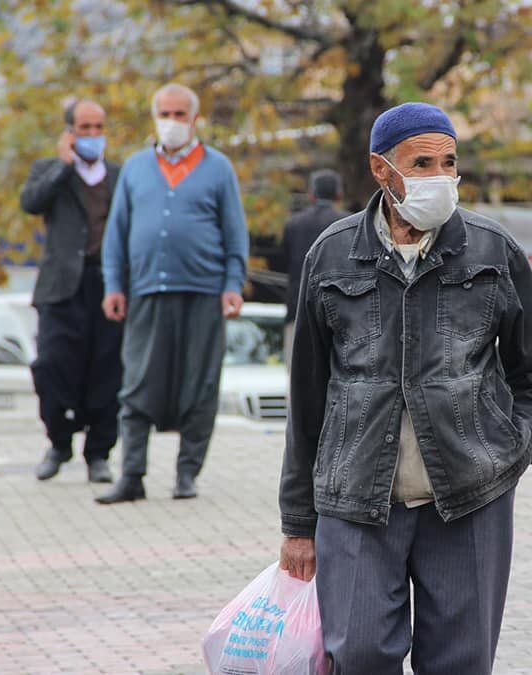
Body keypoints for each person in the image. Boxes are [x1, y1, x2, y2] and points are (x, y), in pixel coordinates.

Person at [278, 102, 532, 672]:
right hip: (357, 500)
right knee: (358, 655)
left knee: (461, 663)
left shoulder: (493, 250)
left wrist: (515, 446)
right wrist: (298, 524)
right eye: (422, 162)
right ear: (381, 170)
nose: (439, 176)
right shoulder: (332, 255)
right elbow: (306, 399)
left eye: (449, 162)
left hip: (469, 499)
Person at [96, 83, 249, 504]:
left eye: (181, 115)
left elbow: (235, 234)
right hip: (147, 291)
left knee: (200, 386)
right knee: (136, 385)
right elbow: (117, 235)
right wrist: (114, 285)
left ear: (195, 119)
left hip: (203, 292)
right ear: (155, 117)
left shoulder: (218, 168)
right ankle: (132, 475)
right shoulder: (135, 168)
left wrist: (233, 284)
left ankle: (187, 474)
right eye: (166, 114)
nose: (172, 122)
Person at [19, 100, 122, 484]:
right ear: (69, 132)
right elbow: (31, 203)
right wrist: (64, 165)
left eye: (99, 127)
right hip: (61, 286)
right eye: (85, 128)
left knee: (107, 373)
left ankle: (98, 454)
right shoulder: (48, 170)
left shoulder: (119, 175)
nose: (93, 135)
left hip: (107, 285)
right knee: (50, 367)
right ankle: (58, 443)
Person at [281, 169, 348, 368]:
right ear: (339, 194)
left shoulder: (293, 224)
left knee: (299, 377)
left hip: (298, 307)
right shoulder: (350, 225)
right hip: (344, 311)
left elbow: (287, 261)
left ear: (311, 194)